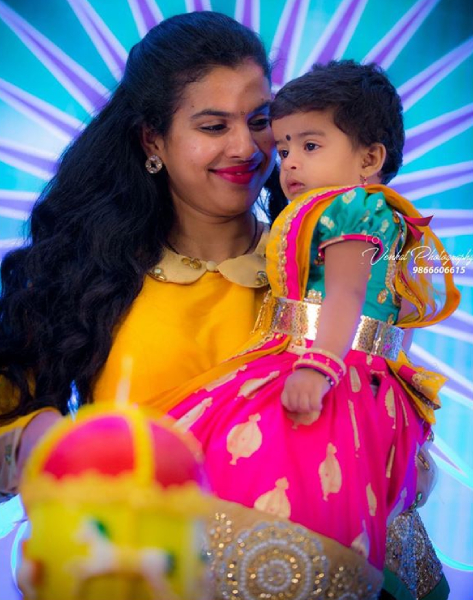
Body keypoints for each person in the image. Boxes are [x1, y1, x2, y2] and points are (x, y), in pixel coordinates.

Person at [0, 11, 452, 598]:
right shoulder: (84, 277)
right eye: (213, 125)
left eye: (261, 120)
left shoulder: (320, 277)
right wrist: (58, 447)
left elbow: (393, 449)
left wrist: (402, 461)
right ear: (152, 141)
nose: (247, 147)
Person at [161, 60, 460, 583]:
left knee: (287, 476)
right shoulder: (337, 211)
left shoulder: (354, 209)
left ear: (370, 157)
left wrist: (318, 365)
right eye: (284, 149)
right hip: (329, 363)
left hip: (327, 371)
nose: (290, 164)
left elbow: (346, 293)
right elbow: (398, 316)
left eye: (310, 146)